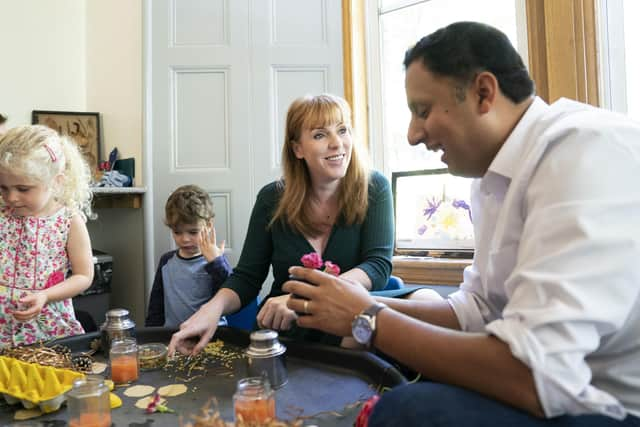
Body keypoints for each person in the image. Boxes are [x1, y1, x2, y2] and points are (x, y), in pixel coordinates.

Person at [283, 21, 640, 426]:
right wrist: (354, 306)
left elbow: (536, 374)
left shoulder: (580, 152)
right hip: (556, 384)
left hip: (610, 403)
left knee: (405, 410)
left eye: (423, 111)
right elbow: (478, 311)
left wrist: (368, 319)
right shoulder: (494, 179)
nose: (414, 134)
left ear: (483, 94)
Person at [169, 93, 394, 355]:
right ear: (297, 148)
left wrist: (301, 299)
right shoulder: (270, 199)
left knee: (424, 300)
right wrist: (211, 309)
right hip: (285, 329)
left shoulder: (375, 187)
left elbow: (378, 266)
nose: (337, 143)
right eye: (320, 135)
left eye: (343, 130)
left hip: (346, 321)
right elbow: (248, 278)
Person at [0, 125, 95, 348]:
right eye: (3, 188)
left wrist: (45, 296)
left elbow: (83, 276)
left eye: (23, 189)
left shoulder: (69, 221)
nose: (11, 197)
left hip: (47, 325)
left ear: (56, 181)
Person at [145, 184, 230, 329]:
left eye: (193, 232)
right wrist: (152, 336)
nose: (184, 239)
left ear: (208, 225)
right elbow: (156, 307)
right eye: (177, 232)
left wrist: (216, 262)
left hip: (211, 337)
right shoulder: (166, 261)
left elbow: (230, 295)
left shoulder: (215, 261)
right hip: (173, 337)